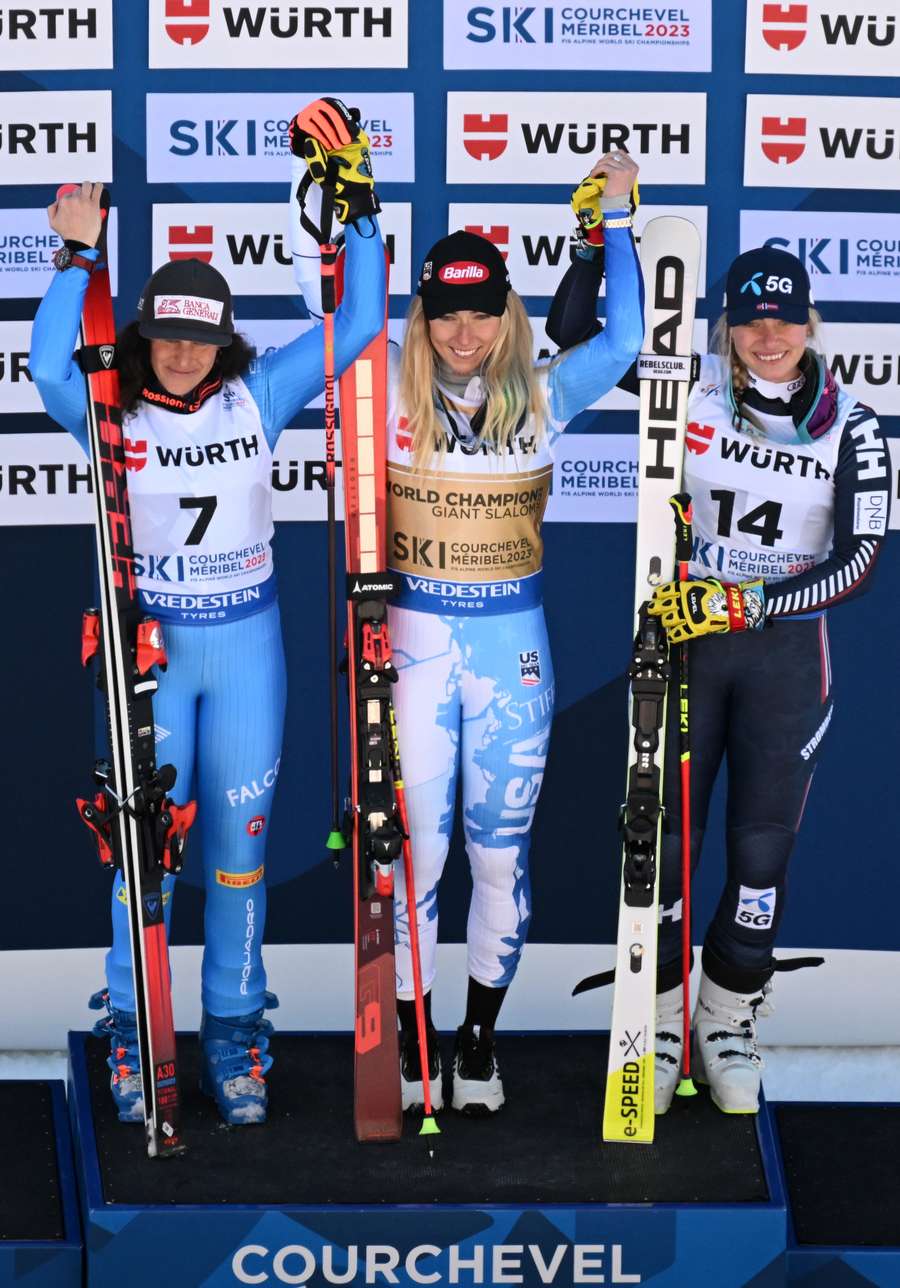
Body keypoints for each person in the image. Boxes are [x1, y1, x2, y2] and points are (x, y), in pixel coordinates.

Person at [28, 99, 385, 1126]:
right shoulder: (105, 403)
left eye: (199, 339)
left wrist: (358, 207)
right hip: (150, 653)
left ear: (222, 341)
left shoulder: (257, 395)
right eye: (166, 337)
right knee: (142, 853)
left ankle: (234, 1028)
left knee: (237, 854)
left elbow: (359, 324)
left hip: (245, 651)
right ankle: (137, 1027)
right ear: (145, 335)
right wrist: (73, 262)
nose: (181, 355)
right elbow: (51, 362)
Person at [293, 151, 643, 1114]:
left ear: (506, 316)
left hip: (509, 652)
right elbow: (348, 309)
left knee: (498, 856)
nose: (461, 330)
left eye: (480, 310)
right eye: (444, 311)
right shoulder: (384, 395)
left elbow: (623, 338)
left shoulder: (542, 395)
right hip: (413, 648)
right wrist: (355, 212)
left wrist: (615, 223)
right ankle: (409, 1048)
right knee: (418, 859)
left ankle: (477, 1045)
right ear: (423, 318)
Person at [548, 243, 890, 1114]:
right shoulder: (686, 391)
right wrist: (598, 242)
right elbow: (570, 335)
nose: (766, 336)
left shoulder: (855, 423)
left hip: (780, 655)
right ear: (727, 326)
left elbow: (859, 564)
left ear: (810, 325)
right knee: (662, 846)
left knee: (760, 852)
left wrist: (749, 603)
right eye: (749, 320)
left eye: (782, 319)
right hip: (685, 647)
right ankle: (657, 1019)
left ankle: (728, 1015)